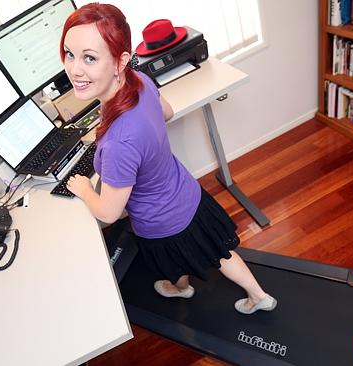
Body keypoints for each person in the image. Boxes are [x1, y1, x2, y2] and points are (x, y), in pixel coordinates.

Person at [60, 3, 276, 314]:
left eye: (89, 58)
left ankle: (181, 287)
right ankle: (259, 295)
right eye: (70, 54)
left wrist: (83, 190)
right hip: (189, 193)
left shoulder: (119, 143)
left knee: (178, 258)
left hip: (162, 223)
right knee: (221, 251)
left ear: (120, 61)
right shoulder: (139, 80)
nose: (75, 69)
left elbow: (108, 213)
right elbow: (168, 113)